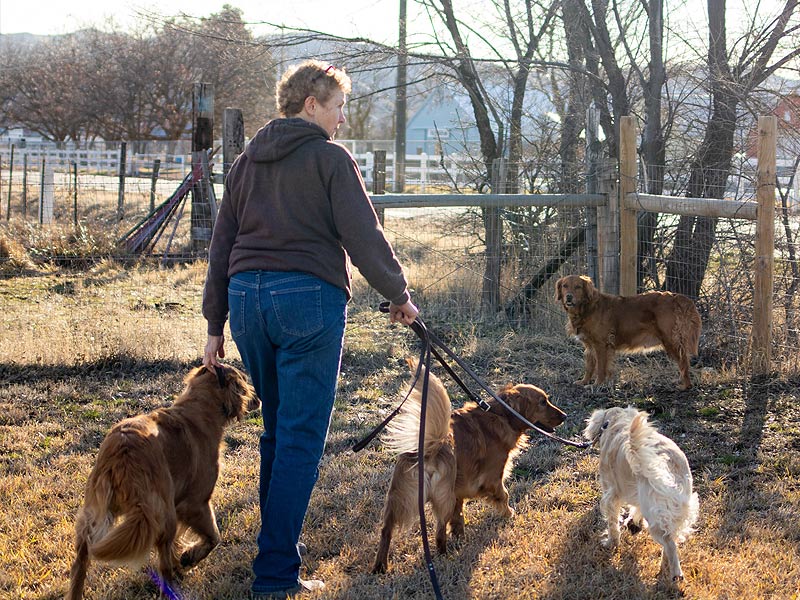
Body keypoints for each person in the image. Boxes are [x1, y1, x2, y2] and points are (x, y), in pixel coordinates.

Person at [201, 59, 418, 599]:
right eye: (339, 106)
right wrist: (399, 295)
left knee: (278, 430)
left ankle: (277, 558)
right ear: (311, 105)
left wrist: (214, 323)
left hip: (247, 302)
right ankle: (274, 575)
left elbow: (221, 245)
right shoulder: (329, 159)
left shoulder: (245, 163)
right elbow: (363, 234)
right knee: (299, 437)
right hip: (306, 300)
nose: (344, 119)